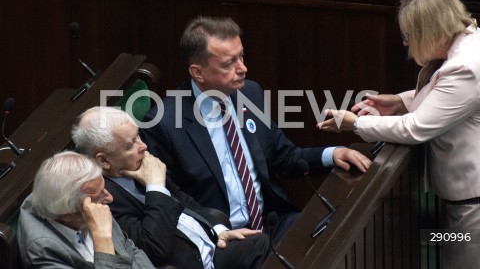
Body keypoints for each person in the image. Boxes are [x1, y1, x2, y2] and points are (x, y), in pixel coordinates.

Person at [140, 15, 372, 242]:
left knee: (341, 232)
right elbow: (168, 197)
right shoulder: (165, 123)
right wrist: (215, 228)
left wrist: (333, 154)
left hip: (272, 223)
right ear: (197, 72)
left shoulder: (249, 93)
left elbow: (284, 157)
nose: (243, 68)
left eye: (241, 56)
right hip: (221, 238)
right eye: (228, 64)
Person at [318, 0, 480, 268]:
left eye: (408, 36)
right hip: (463, 201)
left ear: (428, 30)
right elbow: (445, 97)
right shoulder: (464, 47)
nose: (406, 44)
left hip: (473, 205)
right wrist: (399, 102)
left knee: (461, 263)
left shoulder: (465, 66)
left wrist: (355, 123)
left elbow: (417, 128)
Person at [72, 106, 269, 269]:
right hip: (191, 263)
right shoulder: (105, 199)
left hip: (212, 247)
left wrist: (218, 229)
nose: (143, 146)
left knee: (262, 243)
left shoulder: (142, 164)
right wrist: (156, 187)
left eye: (138, 136)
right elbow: (152, 249)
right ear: (104, 160)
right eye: (130, 145)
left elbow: (184, 200)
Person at [16, 151, 155, 269]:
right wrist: (102, 238)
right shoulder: (44, 251)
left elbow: (131, 250)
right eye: (99, 195)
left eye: (104, 189)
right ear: (66, 215)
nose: (110, 198)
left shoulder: (87, 199)